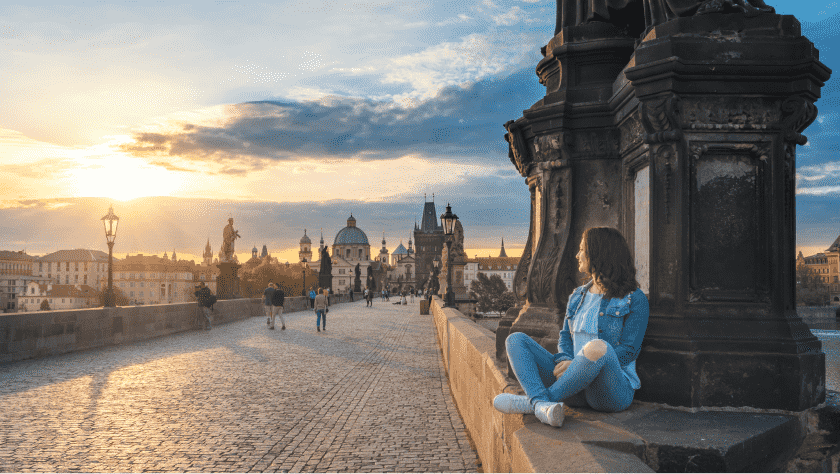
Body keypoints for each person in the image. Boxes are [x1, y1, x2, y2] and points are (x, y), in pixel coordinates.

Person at [493, 227, 649, 428]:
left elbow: (629, 350)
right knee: (515, 340)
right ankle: (543, 405)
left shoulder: (634, 299)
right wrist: (566, 360)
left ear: (598, 253)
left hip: (608, 392)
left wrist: (577, 363)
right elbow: (565, 337)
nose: (577, 255)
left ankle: (535, 402)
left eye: (582, 249)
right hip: (571, 387)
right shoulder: (578, 295)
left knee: (598, 347)